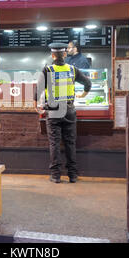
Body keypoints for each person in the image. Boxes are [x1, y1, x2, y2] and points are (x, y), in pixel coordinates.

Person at [34, 42, 91, 183]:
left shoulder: (47, 70)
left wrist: (35, 105)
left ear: (52, 55)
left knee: (54, 143)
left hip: (53, 111)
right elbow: (88, 83)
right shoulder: (73, 69)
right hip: (69, 110)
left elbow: (38, 89)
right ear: (65, 54)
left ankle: (56, 175)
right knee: (70, 143)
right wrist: (83, 95)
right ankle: (72, 175)